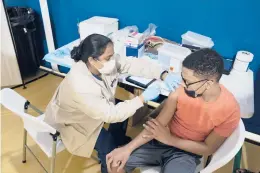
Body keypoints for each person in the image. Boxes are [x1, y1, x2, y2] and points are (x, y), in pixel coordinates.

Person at [44, 34, 182, 173]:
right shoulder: (80, 83)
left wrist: (163, 73)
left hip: (94, 108)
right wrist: (142, 99)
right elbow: (110, 114)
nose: (112, 60)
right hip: (74, 121)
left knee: (123, 108)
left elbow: (130, 63)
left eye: (112, 55)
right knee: (107, 144)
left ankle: (119, 142)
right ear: (92, 60)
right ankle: (109, 166)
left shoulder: (102, 63)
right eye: (108, 57)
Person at [107, 48, 241, 173]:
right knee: (116, 164)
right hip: (158, 142)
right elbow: (157, 126)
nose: (182, 84)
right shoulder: (182, 90)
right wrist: (126, 149)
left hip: (186, 153)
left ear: (209, 83)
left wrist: (170, 139)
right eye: (182, 78)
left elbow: (208, 148)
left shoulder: (229, 110)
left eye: (188, 81)